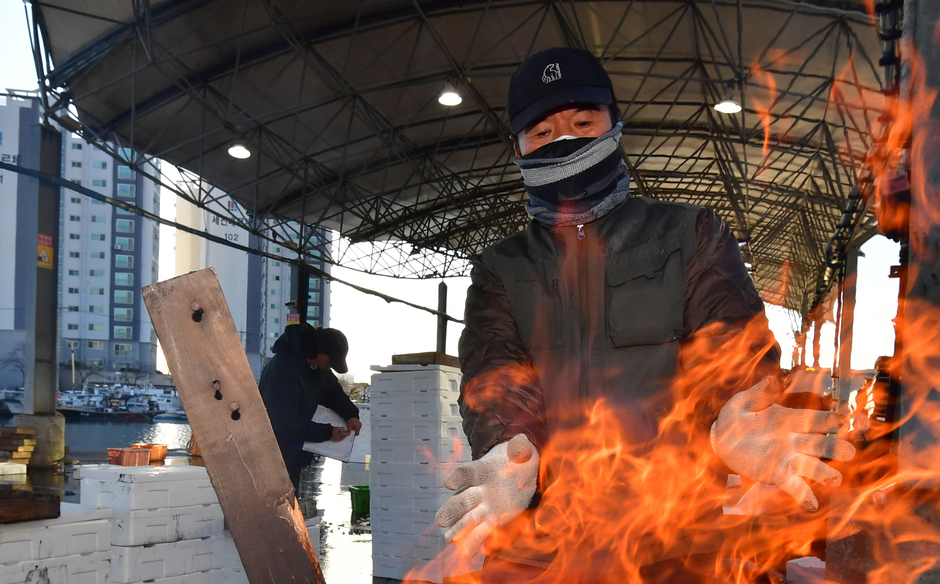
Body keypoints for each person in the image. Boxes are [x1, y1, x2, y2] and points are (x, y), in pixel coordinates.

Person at [437, 46, 854, 555]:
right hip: (539, 551)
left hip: (668, 547)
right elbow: (496, 375)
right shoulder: (501, 267)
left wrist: (735, 412)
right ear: (518, 148)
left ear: (615, 125)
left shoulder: (691, 234)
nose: (564, 141)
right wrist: (508, 451)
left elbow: (729, 350)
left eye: (583, 123)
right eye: (543, 133)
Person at [258, 324, 361, 485]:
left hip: (294, 455)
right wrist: (327, 433)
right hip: (273, 457)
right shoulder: (282, 372)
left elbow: (332, 392)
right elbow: (285, 423)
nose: (330, 367)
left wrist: (351, 414)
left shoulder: (314, 368)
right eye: (330, 361)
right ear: (316, 350)